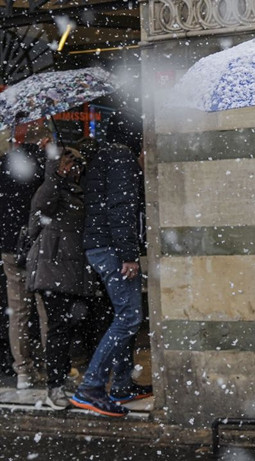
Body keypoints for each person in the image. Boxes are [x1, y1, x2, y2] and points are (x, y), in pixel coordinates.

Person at [69, 135, 151, 417]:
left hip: (102, 246)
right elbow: (121, 208)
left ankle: (122, 385)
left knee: (124, 315)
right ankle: (91, 387)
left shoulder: (106, 158)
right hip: (112, 249)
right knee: (129, 317)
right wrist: (129, 254)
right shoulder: (121, 160)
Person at [26, 141, 98, 409]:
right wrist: (56, 176)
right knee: (58, 329)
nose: (74, 169)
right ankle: (54, 386)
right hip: (52, 270)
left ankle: (62, 377)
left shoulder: (77, 190)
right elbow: (39, 209)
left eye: (77, 164)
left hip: (71, 272)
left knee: (69, 327)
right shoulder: (51, 189)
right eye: (69, 163)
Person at [0, 120, 48, 390]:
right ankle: (51, 365)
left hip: (9, 246)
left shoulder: (4, 164)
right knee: (45, 309)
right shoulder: (43, 164)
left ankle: (23, 372)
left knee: (18, 310)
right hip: (38, 244)